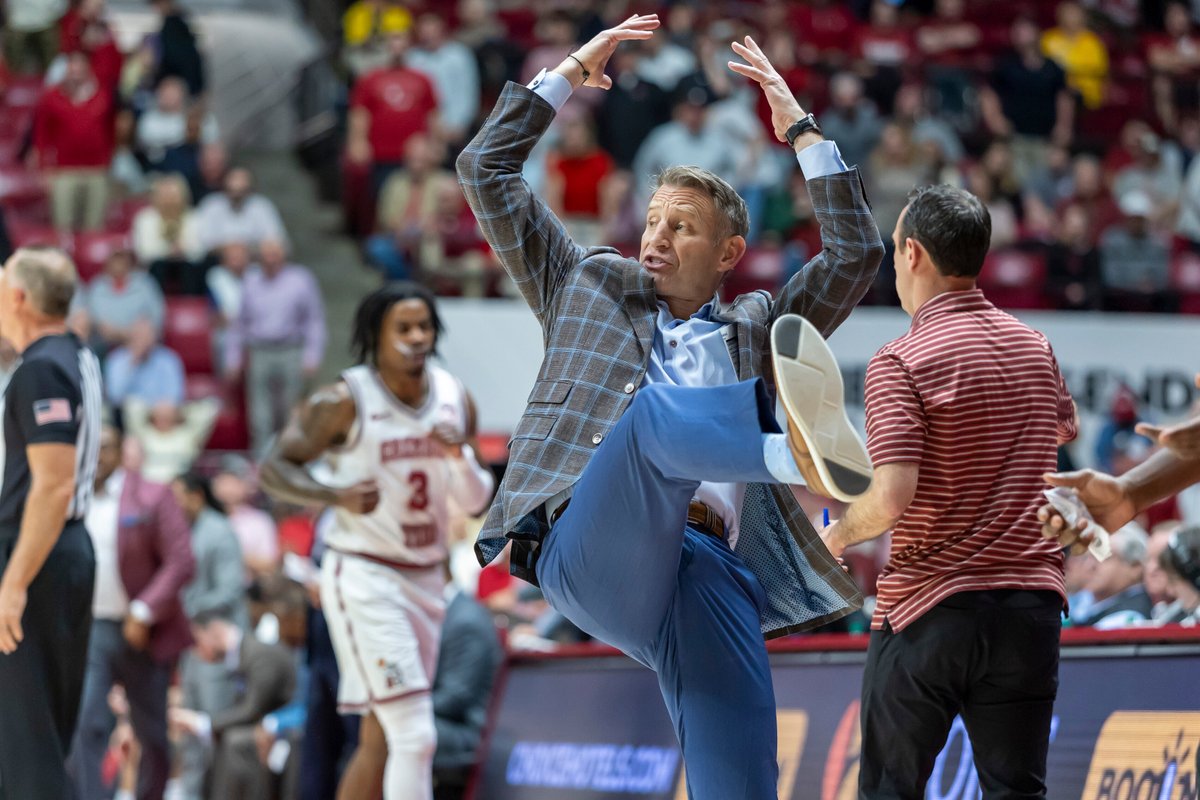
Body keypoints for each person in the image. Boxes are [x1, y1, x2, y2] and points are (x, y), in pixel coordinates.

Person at [457, 16, 882, 798]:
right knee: (652, 420)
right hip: (589, 544)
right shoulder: (583, 281)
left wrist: (803, 132)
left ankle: (793, 450)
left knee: (743, 776)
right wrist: (568, 74)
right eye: (652, 221)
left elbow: (857, 256)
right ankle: (793, 452)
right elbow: (485, 170)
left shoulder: (759, 325)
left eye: (680, 227)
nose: (655, 238)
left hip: (711, 563)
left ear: (728, 253)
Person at [817, 185, 1078, 799]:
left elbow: (891, 498)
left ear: (912, 253)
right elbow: (1065, 428)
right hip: (1029, 610)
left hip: (929, 608)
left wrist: (833, 535)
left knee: (890, 791)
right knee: (1018, 791)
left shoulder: (900, 360)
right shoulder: (1035, 345)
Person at [258, 283, 496, 800]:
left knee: (380, 737)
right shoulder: (343, 400)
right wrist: (333, 494)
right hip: (365, 574)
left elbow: (478, 502)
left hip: (428, 578)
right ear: (376, 336)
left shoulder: (455, 398)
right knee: (415, 733)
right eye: (403, 328)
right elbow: (274, 469)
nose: (416, 337)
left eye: (424, 326)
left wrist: (460, 459)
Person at [0, 246, 104, 798]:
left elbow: (53, 485)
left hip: (36, 554)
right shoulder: (76, 355)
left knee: (26, 740)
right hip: (62, 550)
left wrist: (13, 584)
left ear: (18, 298)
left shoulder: (40, 369)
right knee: (38, 735)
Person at [68, 421, 195, 800]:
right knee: (84, 725)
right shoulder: (72, 495)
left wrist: (144, 610)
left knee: (152, 733)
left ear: (123, 449)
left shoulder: (153, 495)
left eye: (106, 446)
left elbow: (181, 561)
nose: (97, 454)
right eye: (91, 445)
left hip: (142, 630)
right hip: (90, 629)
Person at [223, 239, 327, 453]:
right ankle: (260, 466)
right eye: (266, 254)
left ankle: (289, 461)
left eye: (275, 253)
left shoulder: (301, 279)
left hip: (291, 350)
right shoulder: (250, 281)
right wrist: (233, 358)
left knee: (292, 411)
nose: (270, 258)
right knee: (260, 414)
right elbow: (240, 324)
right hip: (259, 351)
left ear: (284, 254)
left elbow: (314, 320)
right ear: (259, 257)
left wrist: (312, 355)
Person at [432, 570, 503, 800]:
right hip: (452, 721)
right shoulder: (452, 612)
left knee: (400, 729)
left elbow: (455, 697)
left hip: (472, 732)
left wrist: (404, 706)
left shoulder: (465, 621)